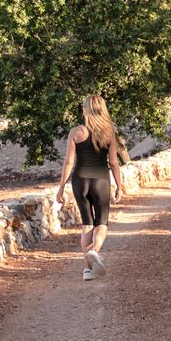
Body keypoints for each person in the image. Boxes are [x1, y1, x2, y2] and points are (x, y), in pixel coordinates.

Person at [55, 94, 128, 281]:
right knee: (101, 223)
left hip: (80, 180)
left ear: (85, 110)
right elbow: (113, 162)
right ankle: (94, 251)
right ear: (102, 109)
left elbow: (69, 161)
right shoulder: (109, 133)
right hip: (101, 181)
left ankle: (87, 270)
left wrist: (61, 187)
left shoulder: (76, 132)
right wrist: (119, 185)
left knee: (87, 224)